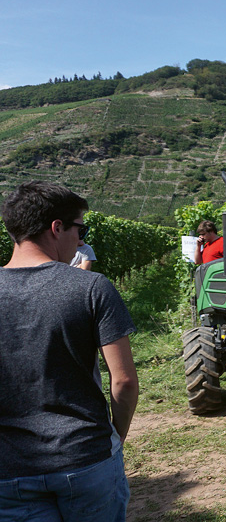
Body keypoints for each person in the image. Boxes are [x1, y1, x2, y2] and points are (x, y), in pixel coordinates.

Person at [0, 181, 138, 521]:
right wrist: (112, 440)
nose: (81, 239)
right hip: (86, 459)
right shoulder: (92, 288)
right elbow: (124, 382)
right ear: (56, 227)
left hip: (9, 469)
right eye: (81, 228)